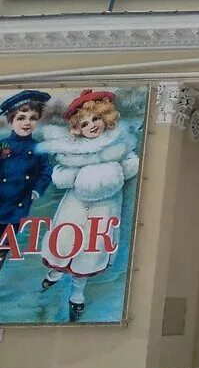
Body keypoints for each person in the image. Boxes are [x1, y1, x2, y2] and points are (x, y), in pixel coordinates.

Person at [38, 89, 139, 321]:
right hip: (74, 205)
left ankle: (77, 294)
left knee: (90, 250)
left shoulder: (119, 147)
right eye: (84, 123)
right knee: (64, 241)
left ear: (105, 119)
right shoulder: (72, 154)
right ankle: (55, 272)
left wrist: (113, 170)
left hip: (105, 207)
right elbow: (61, 179)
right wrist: (77, 168)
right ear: (77, 129)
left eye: (95, 119)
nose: (92, 125)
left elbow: (131, 166)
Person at [0, 90, 53, 275]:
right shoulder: (2, 145)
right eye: (21, 117)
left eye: (32, 118)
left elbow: (46, 172)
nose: (27, 122)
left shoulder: (39, 147)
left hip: (18, 206)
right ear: (11, 120)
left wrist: (36, 191)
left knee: (4, 245)